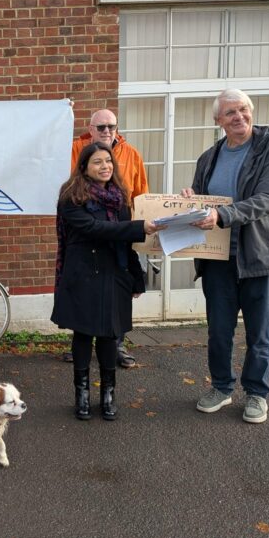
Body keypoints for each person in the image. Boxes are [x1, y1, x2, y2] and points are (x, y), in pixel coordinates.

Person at [182, 89, 269, 424]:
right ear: (218, 120)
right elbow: (204, 205)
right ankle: (221, 386)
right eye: (230, 112)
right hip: (218, 258)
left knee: (260, 332)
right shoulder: (209, 157)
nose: (238, 117)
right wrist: (190, 201)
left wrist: (222, 215)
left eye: (243, 109)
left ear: (251, 112)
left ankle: (257, 393)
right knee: (218, 330)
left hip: (262, 257)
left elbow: (268, 199)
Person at [52, 143, 162, 420]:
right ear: (84, 167)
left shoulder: (120, 197)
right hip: (83, 275)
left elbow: (124, 242)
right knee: (83, 334)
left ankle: (108, 394)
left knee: (110, 334)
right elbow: (94, 228)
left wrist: (137, 278)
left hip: (115, 274)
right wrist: (140, 227)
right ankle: (82, 394)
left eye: (108, 161)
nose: (105, 166)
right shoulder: (71, 197)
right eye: (97, 162)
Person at [65, 108, 150, 367]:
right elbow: (71, 186)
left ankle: (118, 347)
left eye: (111, 126)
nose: (106, 131)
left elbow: (141, 194)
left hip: (122, 236)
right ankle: (82, 344)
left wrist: (142, 227)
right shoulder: (74, 149)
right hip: (89, 239)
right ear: (91, 129)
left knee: (116, 302)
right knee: (87, 300)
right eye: (100, 127)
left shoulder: (132, 154)